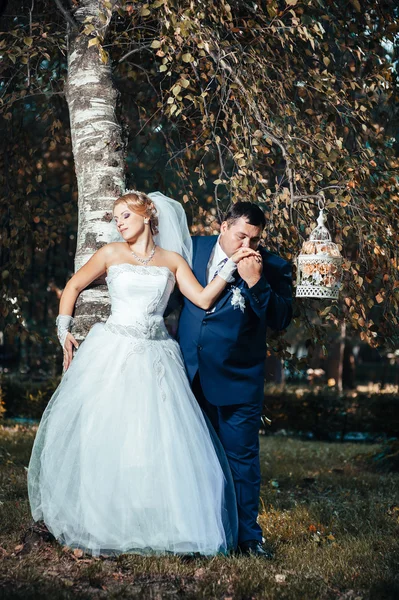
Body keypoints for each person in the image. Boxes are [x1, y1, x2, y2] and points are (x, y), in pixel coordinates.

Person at [27, 191, 260, 557]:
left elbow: (201, 299)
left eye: (124, 215)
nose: (118, 223)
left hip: (157, 356)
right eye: (116, 217)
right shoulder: (110, 253)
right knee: (111, 435)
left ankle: (156, 520)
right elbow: (72, 286)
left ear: (147, 215)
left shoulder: (172, 260)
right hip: (114, 350)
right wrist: (63, 330)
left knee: (157, 440)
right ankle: (105, 517)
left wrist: (232, 265)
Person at [177, 202, 293, 558]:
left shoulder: (272, 266)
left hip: (239, 379)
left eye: (255, 240)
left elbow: (281, 319)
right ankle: (197, 535)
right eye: (241, 235)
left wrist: (256, 282)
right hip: (187, 373)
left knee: (242, 461)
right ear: (223, 225)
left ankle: (248, 539)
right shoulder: (191, 248)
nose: (248, 245)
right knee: (190, 459)